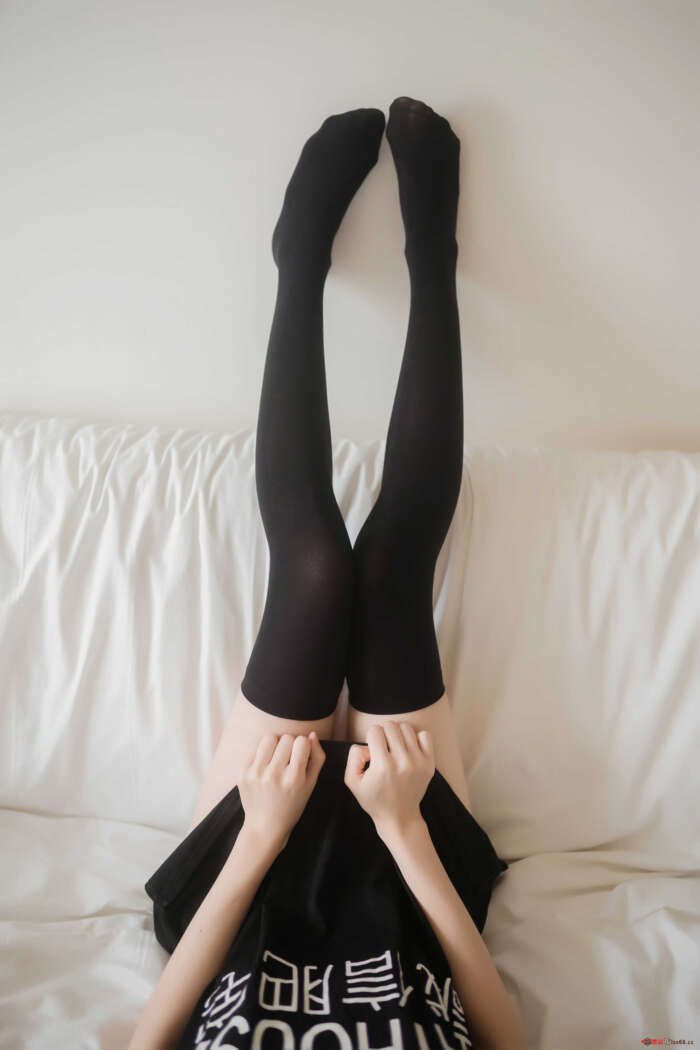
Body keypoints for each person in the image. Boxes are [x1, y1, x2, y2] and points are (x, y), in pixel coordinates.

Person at [128, 97, 527, 1050]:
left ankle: (298, 259)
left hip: (245, 877)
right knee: (388, 569)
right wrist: (403, 830)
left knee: (314, 569)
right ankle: (432, 253)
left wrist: (265, 832)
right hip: (419, 882)